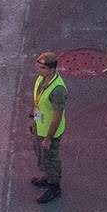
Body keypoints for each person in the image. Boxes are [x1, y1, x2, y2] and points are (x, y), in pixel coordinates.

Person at [28, 52, 66, 204]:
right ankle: (47, 177)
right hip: (40, 127)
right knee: (41, 155)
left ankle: (54, 187)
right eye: (38, 67)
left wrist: (49, 138)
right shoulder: (42, 79)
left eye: (42, 68)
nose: (39, 70)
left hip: (50, 132)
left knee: (51, 159)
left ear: (52, 69)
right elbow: (38, 103)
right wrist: (34, 122)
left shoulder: (58, 90)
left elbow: (57, 117)